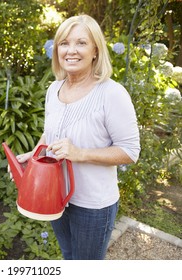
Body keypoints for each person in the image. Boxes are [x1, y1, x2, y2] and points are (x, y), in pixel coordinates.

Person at [11, 14, 141, 260]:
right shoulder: (54, 88)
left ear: (95, 51)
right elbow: (50, 134)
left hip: (92, 205)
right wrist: (34, 155)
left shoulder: (112, 94)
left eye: (81, 43)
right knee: (68, 256)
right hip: (56, 197)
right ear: (57, 50)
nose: (71, 50)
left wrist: (80, 153)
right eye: (64, 43)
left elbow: (130, 151)